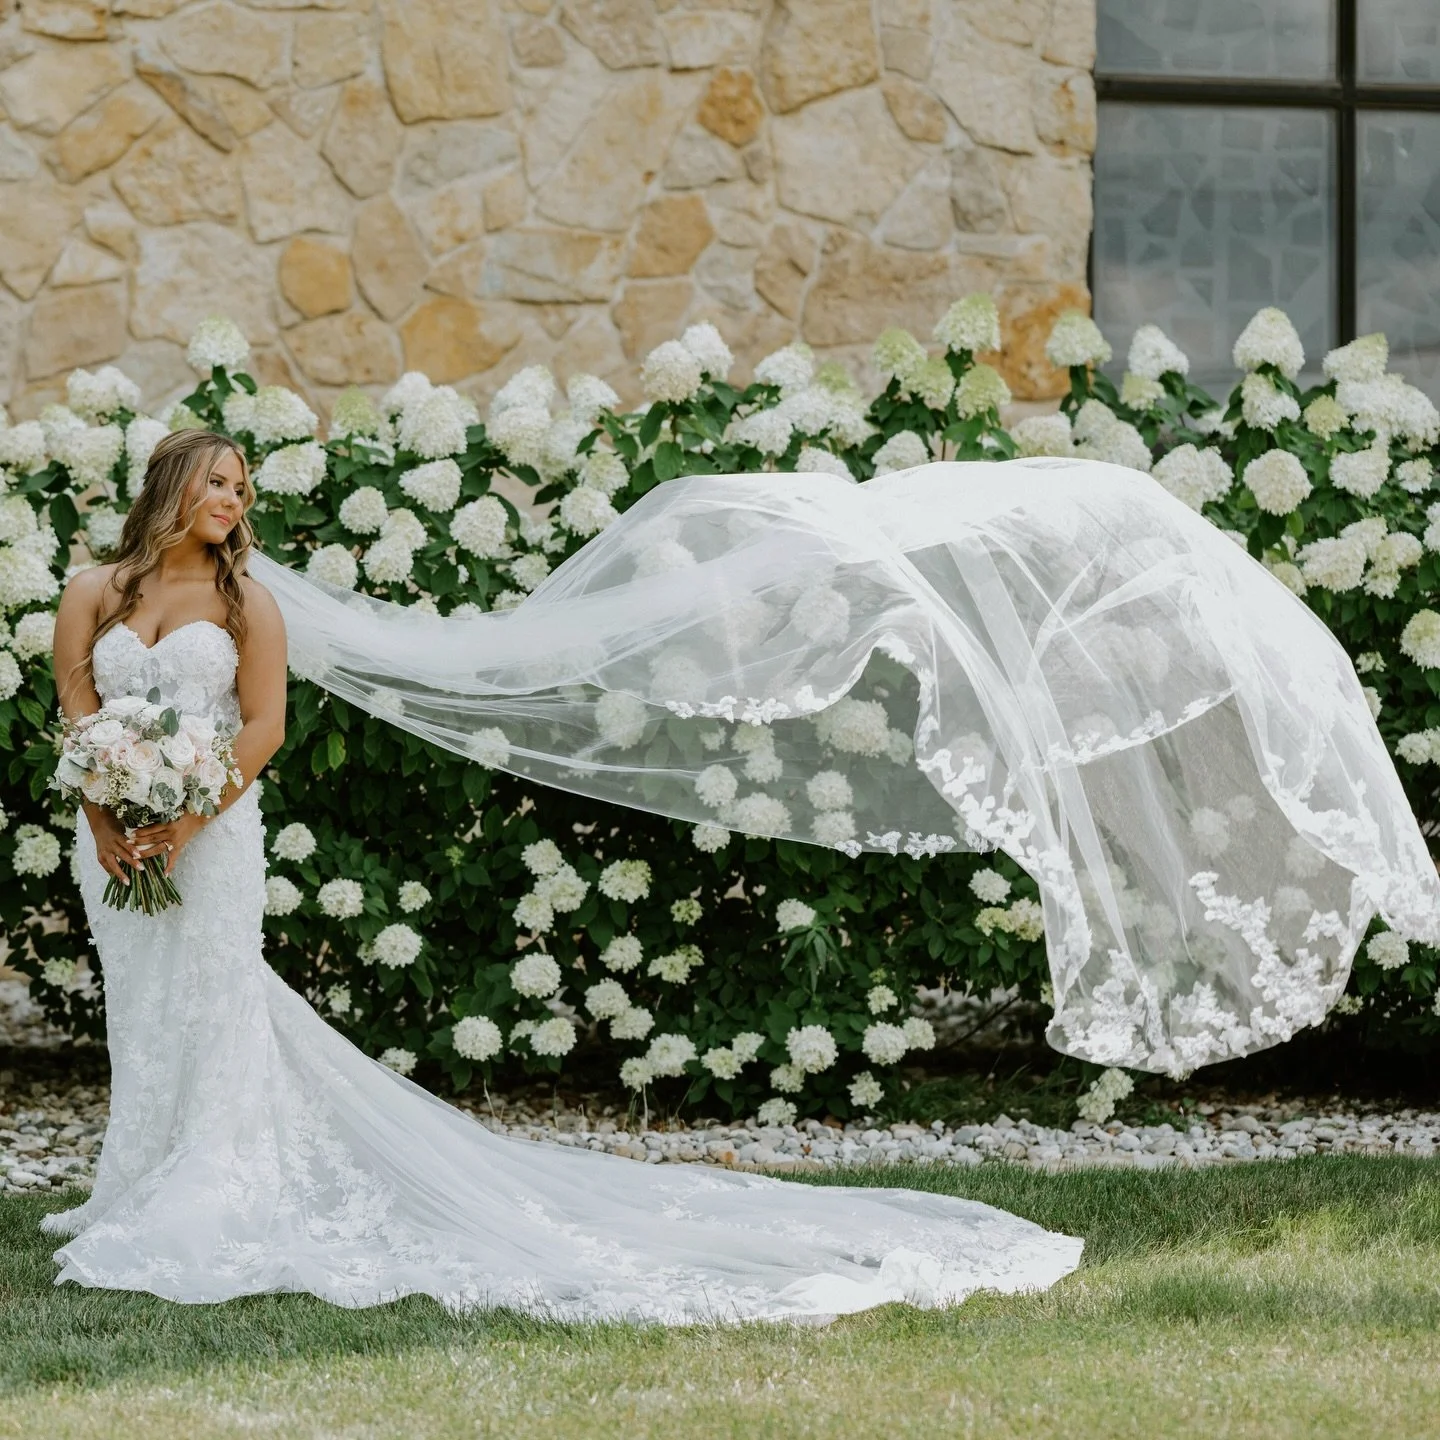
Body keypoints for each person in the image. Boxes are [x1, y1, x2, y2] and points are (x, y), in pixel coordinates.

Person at [43, 429, 1086, 1324]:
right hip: (113, 844)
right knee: (145, 1003)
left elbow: (263, 730)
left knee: (215, 1002)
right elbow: (81, 717)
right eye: (217, 481)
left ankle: (215, 1189)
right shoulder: (95, 590)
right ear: (170, 484)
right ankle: (136, 1180)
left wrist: (183, 826)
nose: (233, 500)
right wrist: (107, 824)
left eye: (241, 487)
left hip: (210, 835)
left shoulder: (248, 605)